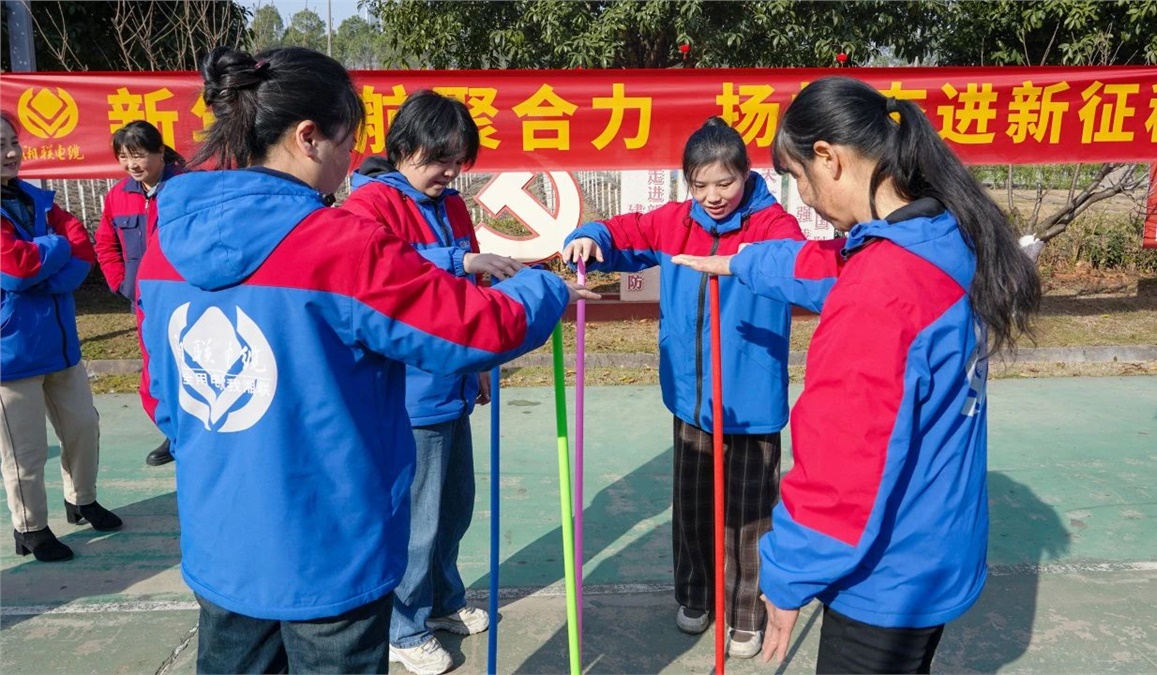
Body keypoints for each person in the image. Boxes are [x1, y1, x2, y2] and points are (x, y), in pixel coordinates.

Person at [136, 46, 596, 675]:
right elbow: (476, 326)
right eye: (348, 141)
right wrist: (543, 285)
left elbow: (162, 397)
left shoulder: (164, 245)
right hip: (330, 545)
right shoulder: (339, 244)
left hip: (222, 541)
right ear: (308, 137)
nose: (352, 159)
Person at [673, 76, 1042, 673]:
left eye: (799, 178)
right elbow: (824, 266)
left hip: (885, 573)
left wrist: (787, 574)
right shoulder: (944, 237)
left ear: (829, 157)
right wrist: (740, 262)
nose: (805, 197)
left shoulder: (880, 293)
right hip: (940, 548)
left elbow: (842, 462)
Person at [562, 117, 805, 659]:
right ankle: (695, 595)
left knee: (749, 517)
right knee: (692, 505)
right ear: (687, 182)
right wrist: (590, 237)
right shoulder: (674, 221)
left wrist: (741, 262)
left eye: (725, 183)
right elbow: (624, 233)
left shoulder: (772, 223)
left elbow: (794, 264)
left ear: (746, 174)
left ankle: (745, 614)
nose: (713, 197)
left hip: (749, 401)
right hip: (692, 398)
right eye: (701, 184)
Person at [341, 90, 524, 675]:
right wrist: (458, 261)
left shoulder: (452, 206)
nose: (449, 171)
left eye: (457, 160)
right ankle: (404, 627)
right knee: (416, 522)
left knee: (452, 508)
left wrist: (479, 364)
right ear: (404, 146)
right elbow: (381, 275)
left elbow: (470, 295)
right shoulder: (371, 203)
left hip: (452, 383)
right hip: (409, 394)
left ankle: (443, 601)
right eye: (439, 158)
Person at [0, 111, 123, 563]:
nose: (10, 153)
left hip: (61, 345)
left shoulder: (40, 200)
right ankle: (30, 527)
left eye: (13, 142)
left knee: (83, 427)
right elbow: (15, 271)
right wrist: (55, 249)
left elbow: (82, 249)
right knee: (25, 451)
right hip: (11, 354)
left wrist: (46, 266)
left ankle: (81, 499)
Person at [95, 120, 185, 467]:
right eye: (124, 157)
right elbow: (106, 245)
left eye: (139, 155)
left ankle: (195, 432)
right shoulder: (118, 196)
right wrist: (123, 283)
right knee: (155, 372)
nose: (132, 165)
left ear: (160, 152)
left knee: (188, 366)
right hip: (144, 302)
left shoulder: (187, 188)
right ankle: (172, 433)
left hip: (184, 298)